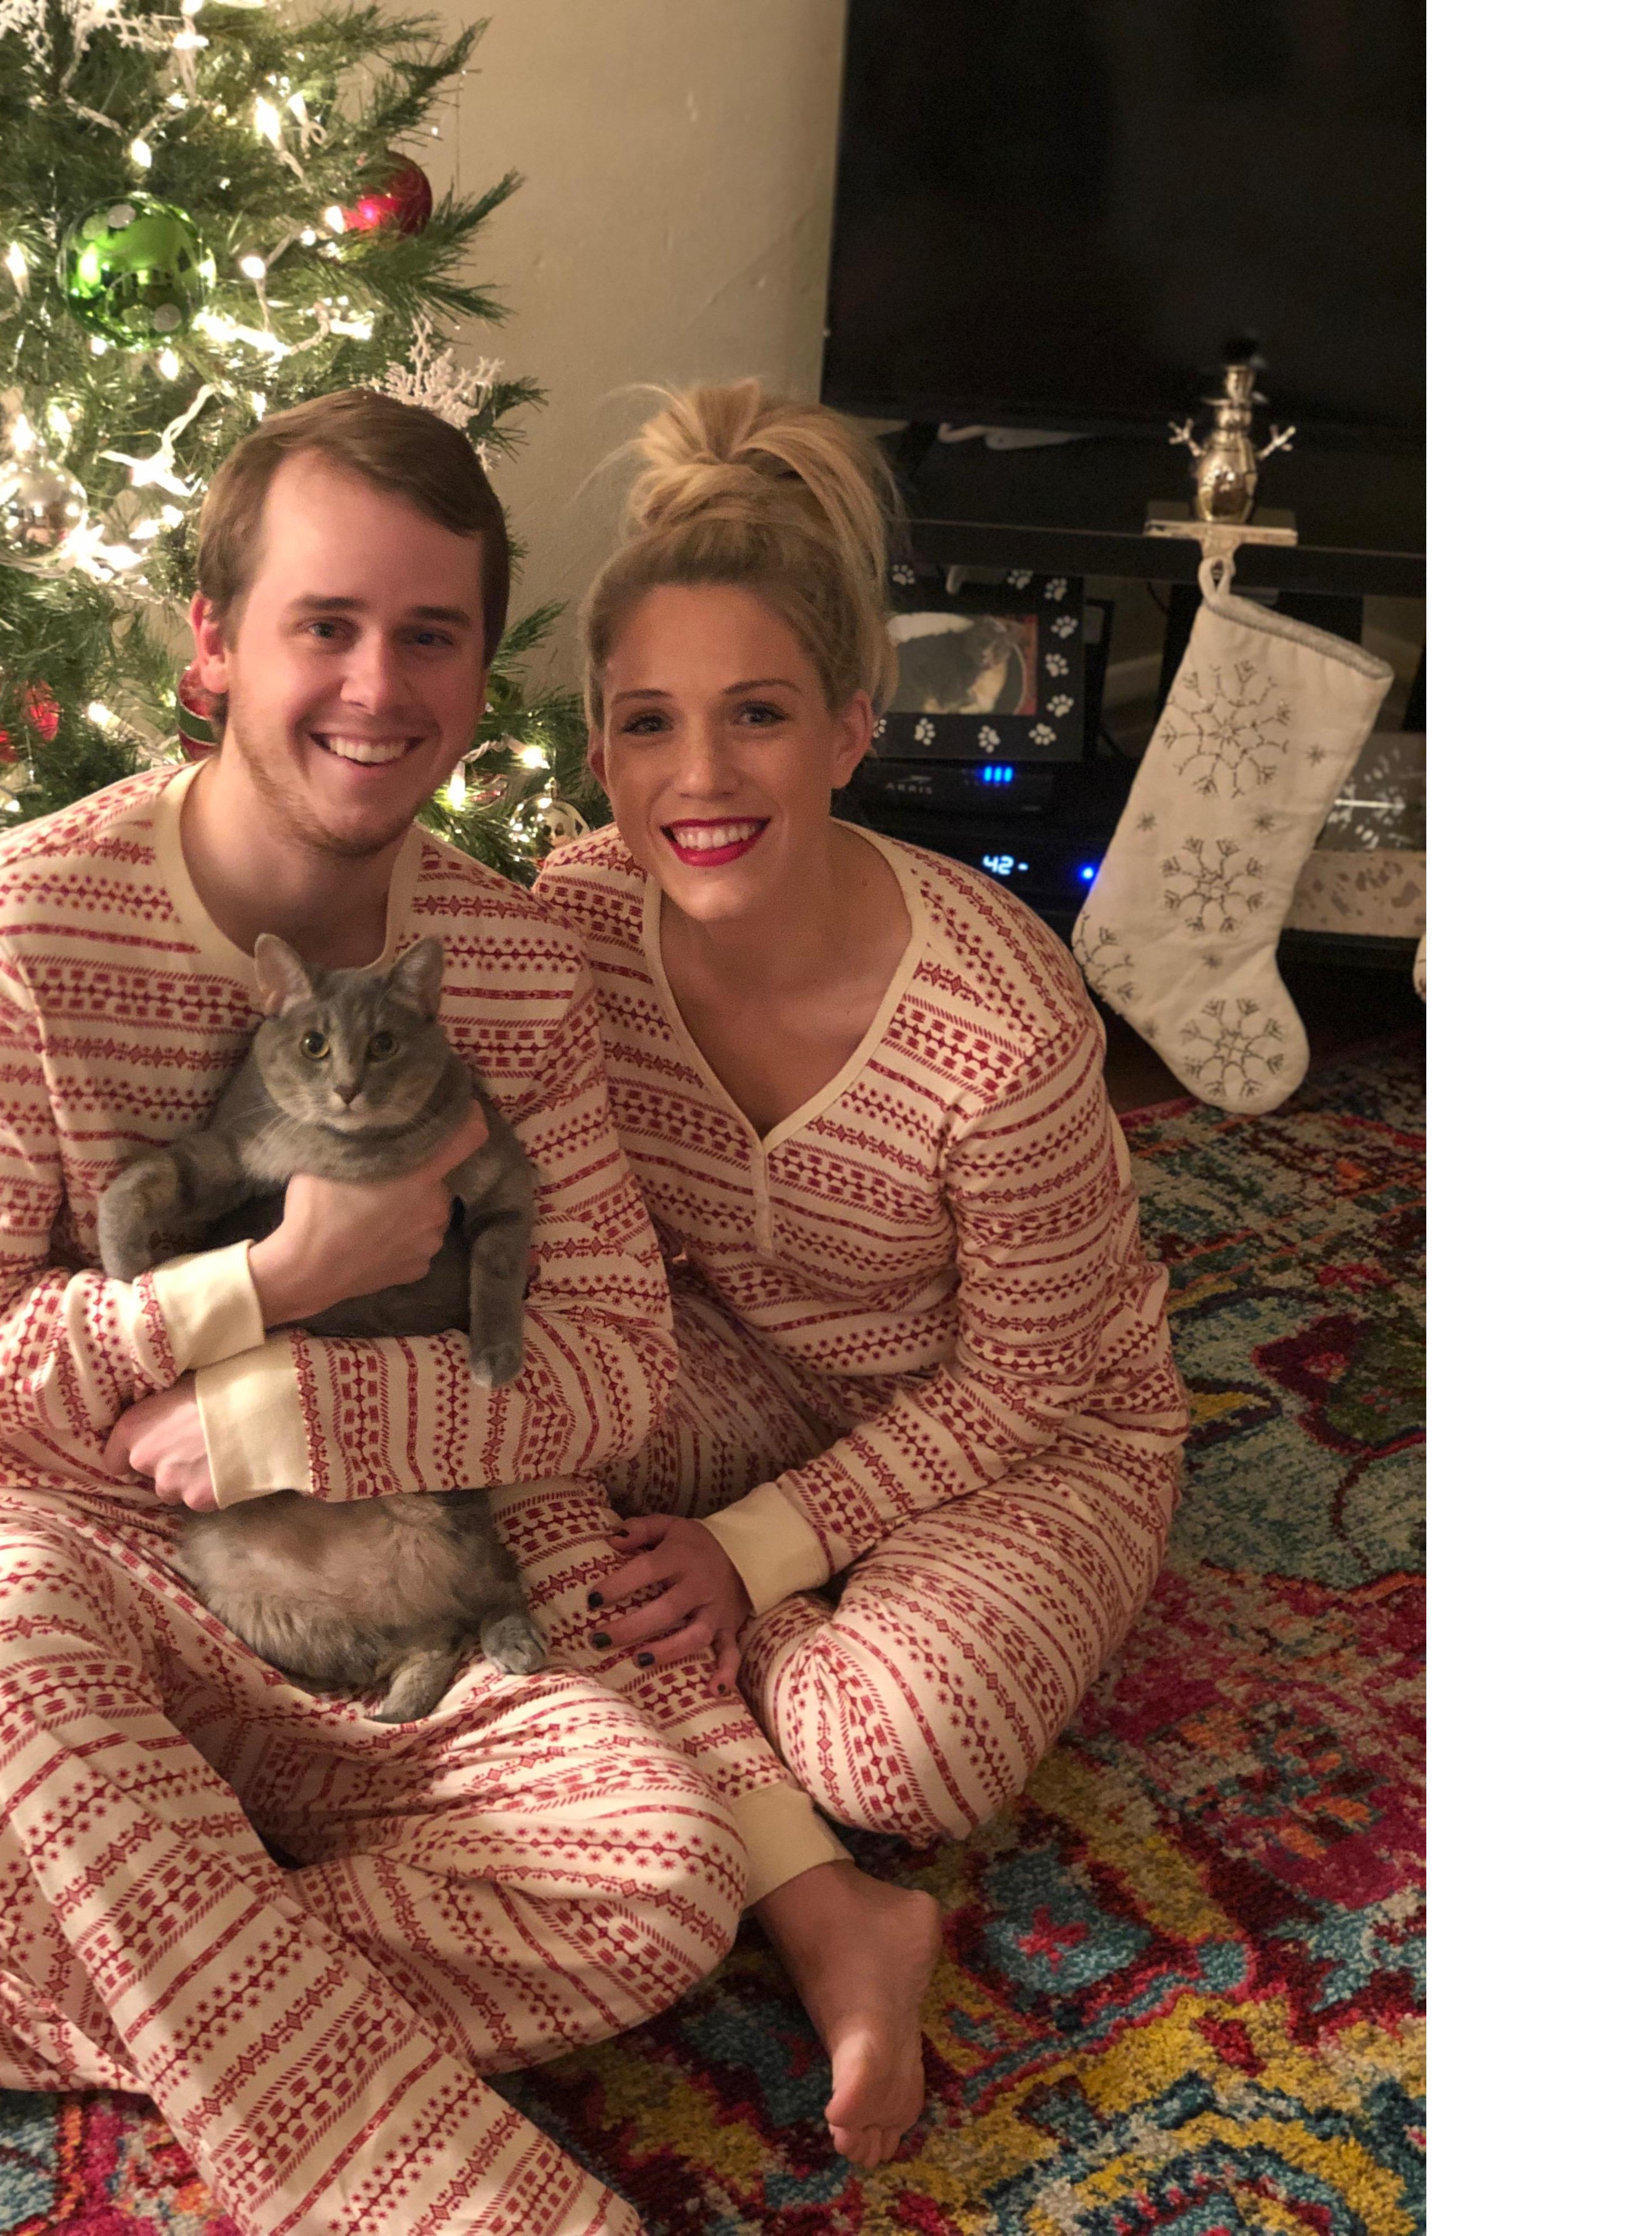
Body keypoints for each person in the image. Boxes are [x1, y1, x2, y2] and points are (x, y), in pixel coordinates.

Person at [0, 390, 751, 2236]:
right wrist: (273, 1282)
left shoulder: (512, 959)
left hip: (399, 1582)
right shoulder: (7, 929)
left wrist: (300, 1413)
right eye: (326, 625)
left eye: (430, 635)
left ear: (479, 670)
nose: (378, 686)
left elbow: (618, 1368)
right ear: (213, 643)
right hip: (70, 1566)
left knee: (661, 1881)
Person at [532, 380, 1192, 2151]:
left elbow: (1033, 1374)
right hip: (740, 1368)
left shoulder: (1000, 1015)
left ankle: (714, 1684)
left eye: (755, 714)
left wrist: (754, 1551)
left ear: (848, 727)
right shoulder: (572, 923)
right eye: (649, 724)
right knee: (486, 1444)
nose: (698, 778)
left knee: (888, 1749)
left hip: (1040, 1425)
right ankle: (832, 1908)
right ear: (599, 751)